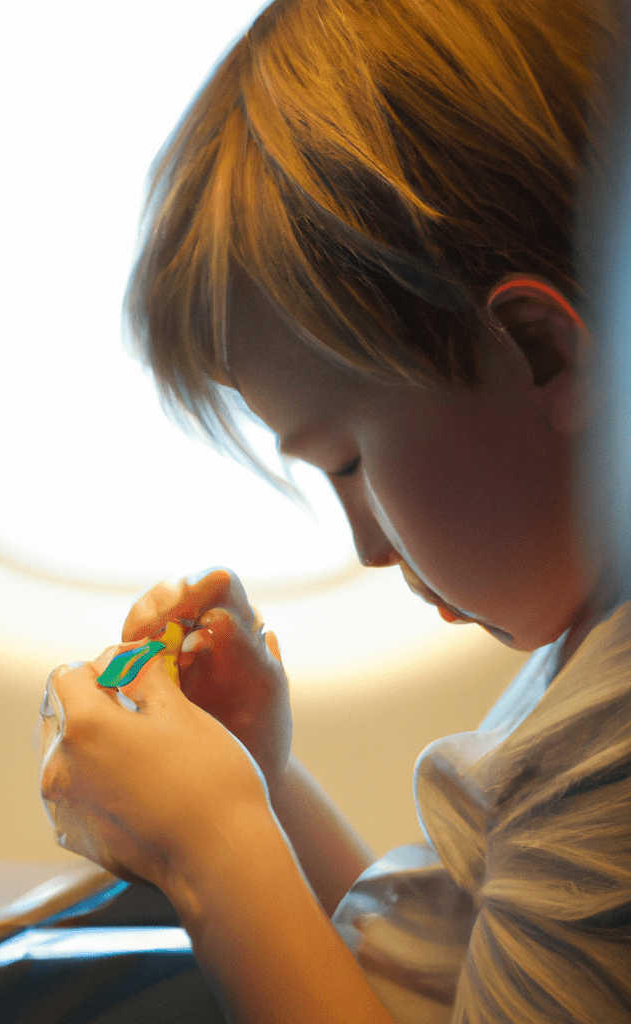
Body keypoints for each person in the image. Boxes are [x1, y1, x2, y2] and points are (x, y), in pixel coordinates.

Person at [38, 0, 631, 1021]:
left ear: (540, 352)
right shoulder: (582, 674)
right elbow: (431, 988)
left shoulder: (605, 754)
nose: (363, 544)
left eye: (348, 459)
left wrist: (212, 845)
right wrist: (258, 780)